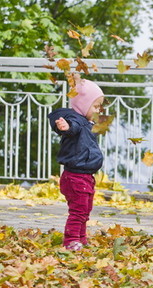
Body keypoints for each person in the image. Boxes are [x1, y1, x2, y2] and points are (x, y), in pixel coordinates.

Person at [48, 79, 104, 251]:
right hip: (75, 177)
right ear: (83, 105)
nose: (98, 110)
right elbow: (72, 127)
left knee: (85, 209)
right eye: (95, 106)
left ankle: (81, 237)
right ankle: (71, 240)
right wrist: (65, 126)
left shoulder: (86, 123)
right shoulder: (76, 120)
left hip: (85, 176)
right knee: (78, 210)